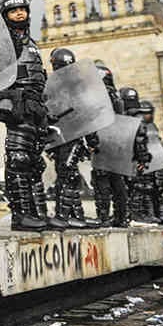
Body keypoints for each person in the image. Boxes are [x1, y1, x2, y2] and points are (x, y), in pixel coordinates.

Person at [0, 0, 61, 231]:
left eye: (22, 9)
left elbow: (39, 76)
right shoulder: (2, 41)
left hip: (36, 106)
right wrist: (3, 99)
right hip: (17, 103)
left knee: (34, 162)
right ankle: (20, 215)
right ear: (5, 15)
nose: (19, 13)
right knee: (18, 159)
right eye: (14, 11)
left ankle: (37, 213)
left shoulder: (31, 43)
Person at [44, 48, 102, 229]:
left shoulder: (52, 86)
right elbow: (87, 114)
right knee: (68, 175)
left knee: (67, 174)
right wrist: (92, 140)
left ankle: (71, 215)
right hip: (67, 136)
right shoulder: (75, 86)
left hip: (65, 137)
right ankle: (68, 216)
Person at [91, 63, 130, 227]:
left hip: (104, 141)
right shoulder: (116, 95)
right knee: (117, 181)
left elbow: (95, 118)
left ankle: (104, 217)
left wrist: (92, 140)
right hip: (117, 142)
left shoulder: (101, 95)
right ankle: (122, 217)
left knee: (102, 181)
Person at [120, 88, 156, 226]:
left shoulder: (121, 116)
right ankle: (134, 214)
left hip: (124, 158)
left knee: (130, 188)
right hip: (133, 159)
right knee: (136, 188)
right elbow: (140, 141)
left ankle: (130, 214)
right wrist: (143, 158)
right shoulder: (137, 117)